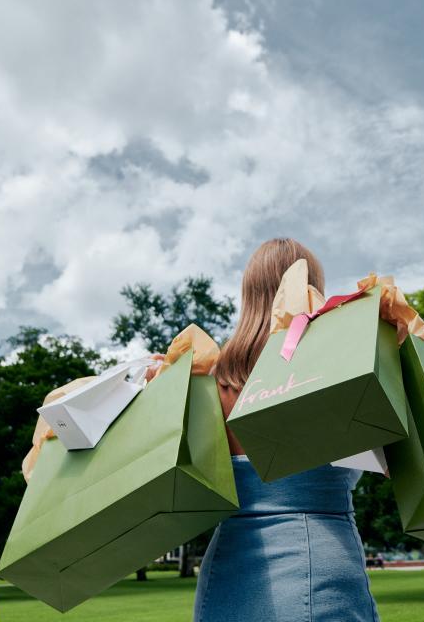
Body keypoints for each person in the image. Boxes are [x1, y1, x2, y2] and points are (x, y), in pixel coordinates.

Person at [149, 238, 381, 621]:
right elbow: (388, 461)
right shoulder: (341, 365)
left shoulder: (204, 382)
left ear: (249, 294)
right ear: (313, 287)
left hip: (228, 566)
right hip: (321, 558)